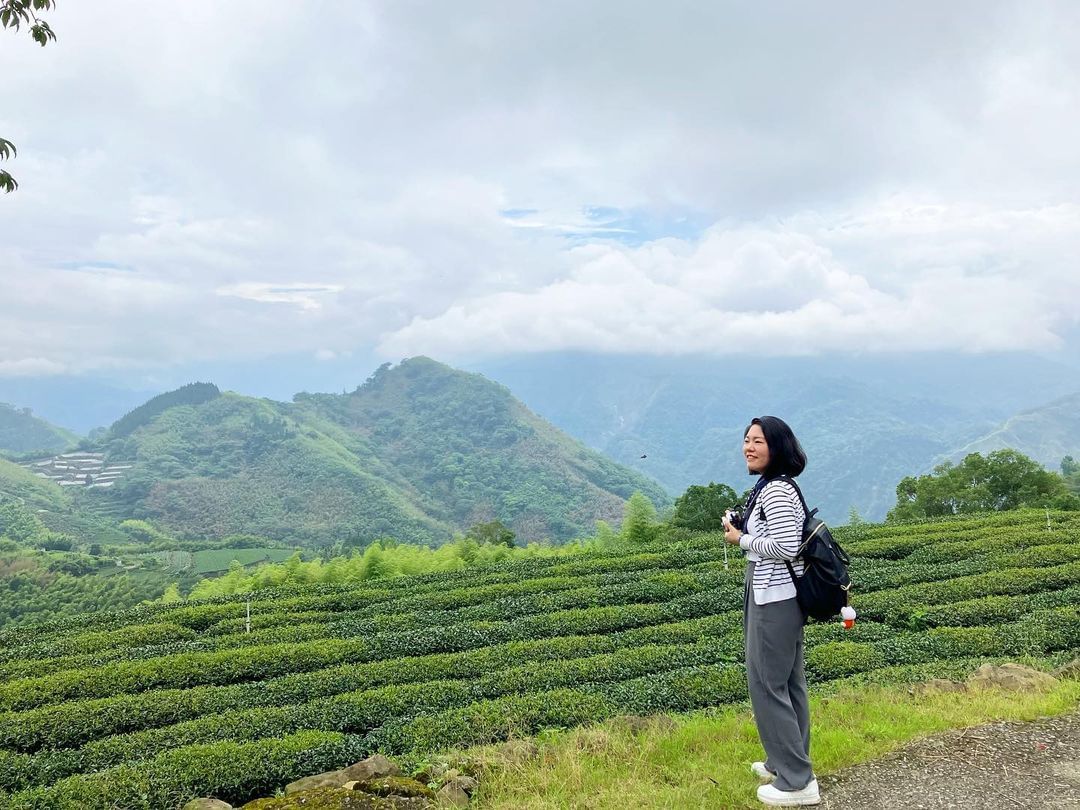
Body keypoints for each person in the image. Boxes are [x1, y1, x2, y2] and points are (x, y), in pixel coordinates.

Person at [722, 416, 819, 807]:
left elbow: (786, 546)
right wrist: (744, 527)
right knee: (787, 683)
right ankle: (786, 761)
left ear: (776, 448)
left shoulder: (777, 491)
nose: (749, 446)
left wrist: (740, 537)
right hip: (775, 594)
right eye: (746, 439)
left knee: (768, 684)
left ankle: (797, 781)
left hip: (774, 596)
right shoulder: (770, 487)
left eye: (758, 441)